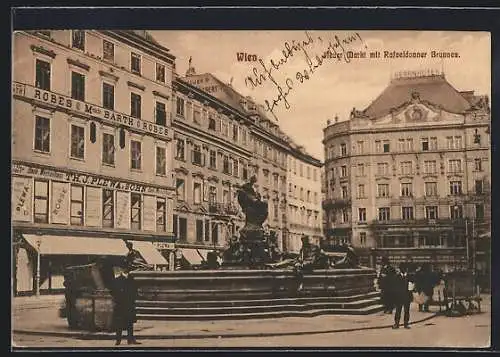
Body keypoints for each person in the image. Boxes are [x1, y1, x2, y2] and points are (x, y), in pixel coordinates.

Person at [111, 261, 141, 345]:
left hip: (129, 304)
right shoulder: (117, 280)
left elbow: (135, 290)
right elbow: (114, 291)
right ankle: (118, 340)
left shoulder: (131, 279)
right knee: (119, 324)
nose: (126, 270)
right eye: (125, 268)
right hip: (121, 304)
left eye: (127, 268)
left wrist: (133, 299)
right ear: (122, 269)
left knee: (129, 323)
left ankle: (130, 339)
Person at [392, 263, 415, 329]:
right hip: (399, 297)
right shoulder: (396, 277)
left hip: (407, 296)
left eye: (404, 268)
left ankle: (406, 324)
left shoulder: (410, 277)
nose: (403, 270)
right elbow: (394, 287)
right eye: (402, 268)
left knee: (406, 311)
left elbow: (413, 285)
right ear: (400, 269)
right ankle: (396, 323)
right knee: (398, 311)